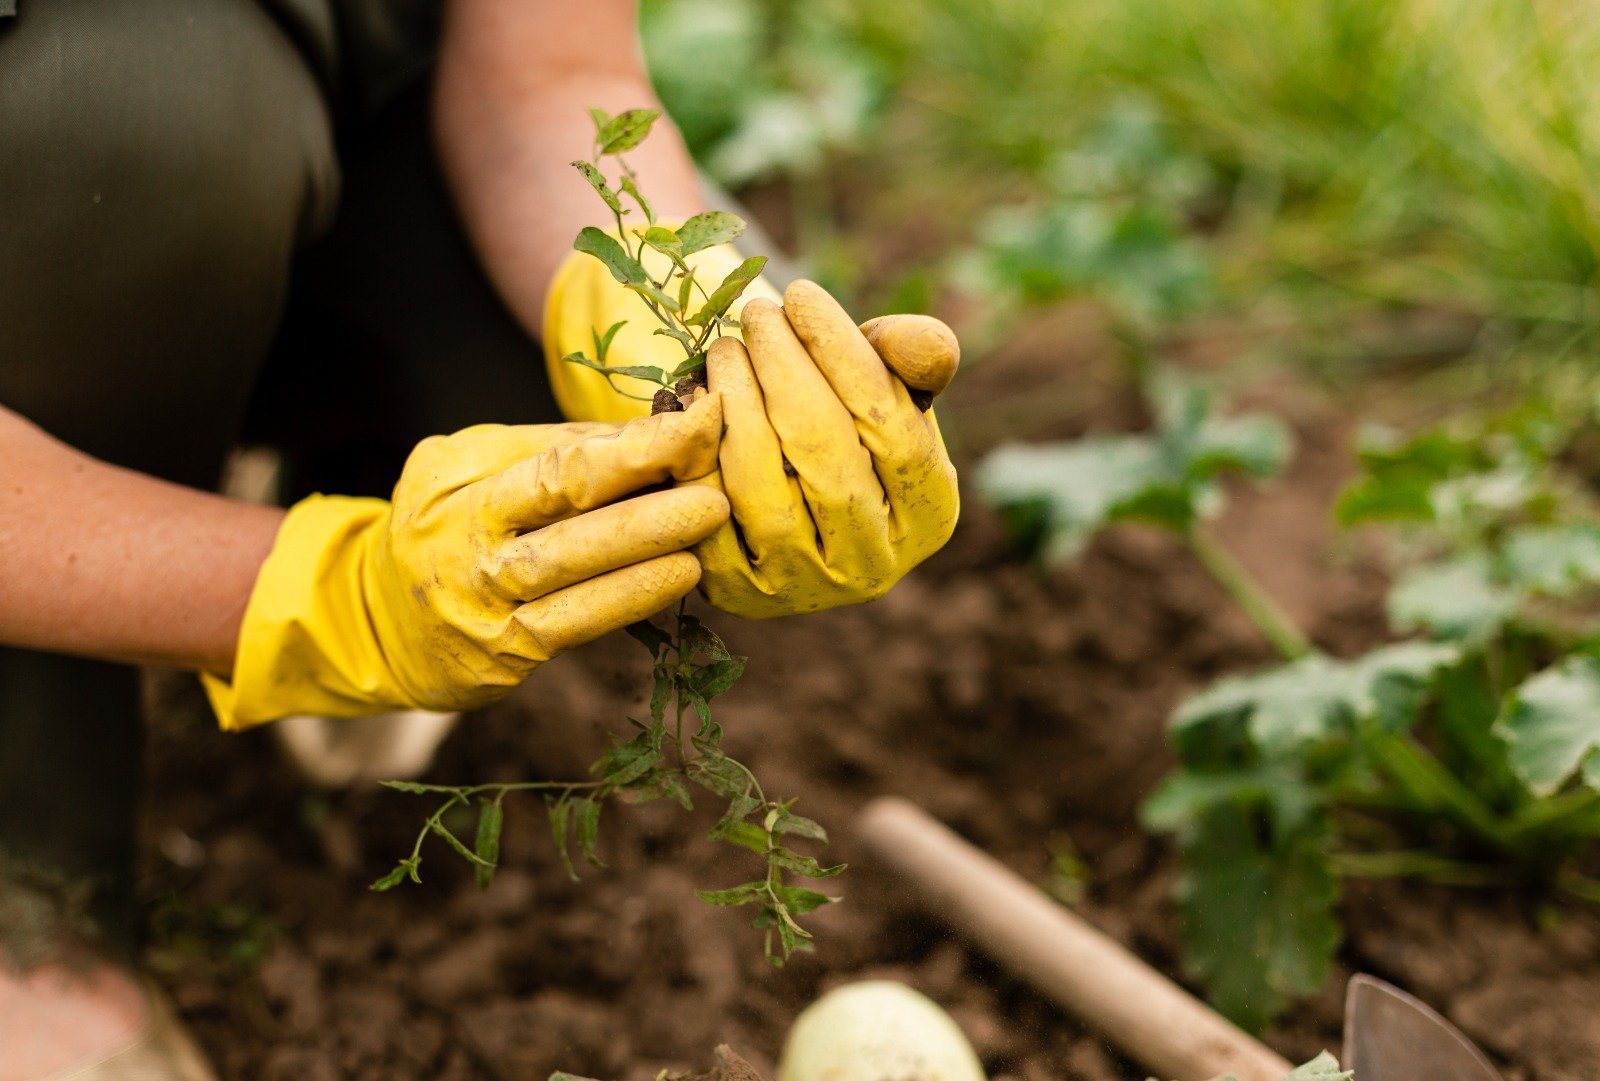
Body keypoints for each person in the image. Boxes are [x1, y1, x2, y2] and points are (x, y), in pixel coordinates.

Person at [0, 1, 960, 1077]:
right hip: (81, 167)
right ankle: (27, 907)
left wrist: (670, 352)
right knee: (131, 120)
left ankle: (329, 458)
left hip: (336, 122)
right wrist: (314, 592)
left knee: (691, 392)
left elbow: (547, 65)